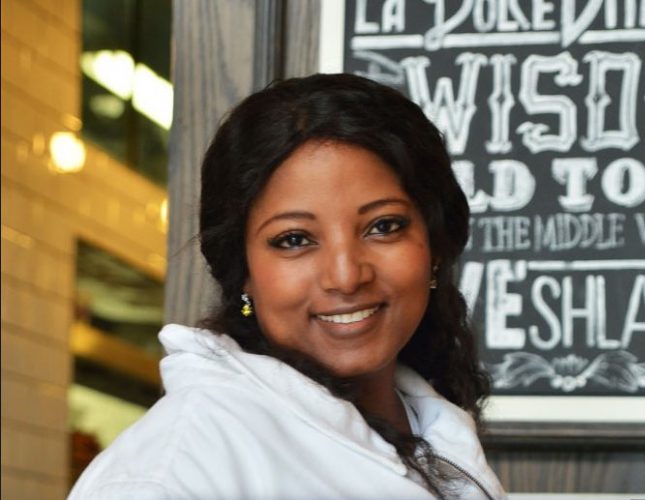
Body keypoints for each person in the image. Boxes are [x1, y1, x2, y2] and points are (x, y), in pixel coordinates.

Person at [68, 74, 507, 500]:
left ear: (434, 244)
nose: (346, 276)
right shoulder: (172, 473)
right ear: (242, 269)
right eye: (294, 240)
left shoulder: (427, 423)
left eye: (383, 226)